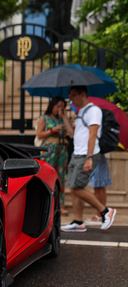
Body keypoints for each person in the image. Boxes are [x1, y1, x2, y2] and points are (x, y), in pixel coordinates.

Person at [61, 86, 116, 232]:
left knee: (76, 188)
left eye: (73, 95)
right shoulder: (81, 113)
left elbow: (93, 136)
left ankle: (105, 211)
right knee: (74, 188)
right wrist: (64, 117)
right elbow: (72, 134)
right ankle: (78, 222)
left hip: (86, 154)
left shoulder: (93, 111)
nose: (70, 99)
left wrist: (89, 158)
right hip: (77, 153)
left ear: (83, 94)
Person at [36, 96, 73, 216]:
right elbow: (39, 134)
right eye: (58, 106)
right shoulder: (44, 118)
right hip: (49, 150)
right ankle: (47, 204)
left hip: (62, 149)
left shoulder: (63, 119)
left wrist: (65, 117)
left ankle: (60, 205)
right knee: (47, 176)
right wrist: (53, 130)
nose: (60, 109)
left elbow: (71, 132)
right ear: (52, 106)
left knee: (61, 177)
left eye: (62, 107)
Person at [86, 154, 112, 223]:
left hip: (96, 157)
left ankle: (100, 215)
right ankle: (101, 214)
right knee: (100, 186)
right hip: (99, 158)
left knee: (98, 186)